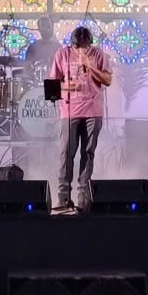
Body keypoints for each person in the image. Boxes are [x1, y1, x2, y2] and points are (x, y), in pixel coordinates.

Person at [51, 26, 113, 212]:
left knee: (88, 153)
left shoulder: (99, 55)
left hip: (93, 111)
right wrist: (65, 87)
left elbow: (107, 80)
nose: (81, 50)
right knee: (66, 154)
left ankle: (83, 198)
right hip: (69, 111)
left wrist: (90, 65)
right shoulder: (62, 55)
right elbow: (51, 87)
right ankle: (63, 198)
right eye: (78, 46)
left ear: (90, 43)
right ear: (72, 44)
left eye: (85, 47)